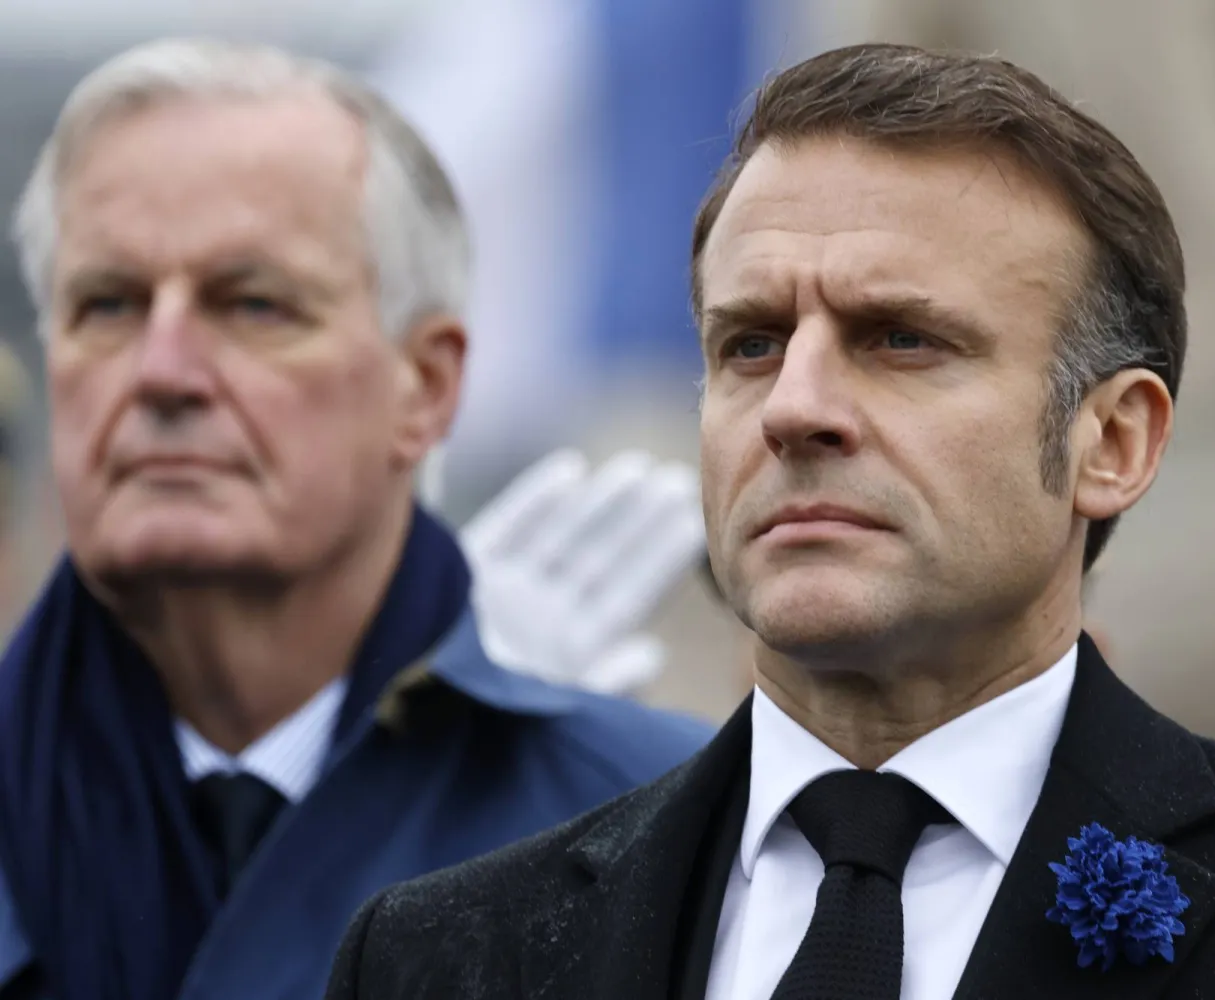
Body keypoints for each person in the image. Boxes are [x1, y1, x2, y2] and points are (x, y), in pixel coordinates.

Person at [324, 42, 1215, 1000]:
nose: (795, 408)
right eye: (750, 344)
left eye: (902, 339)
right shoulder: (437, 957)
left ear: (1116, 442)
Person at [0, 38, 712, 1000]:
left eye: (252, 304)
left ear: (424, 385)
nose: (161, 371)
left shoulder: (674, 827)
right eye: (108, 304)